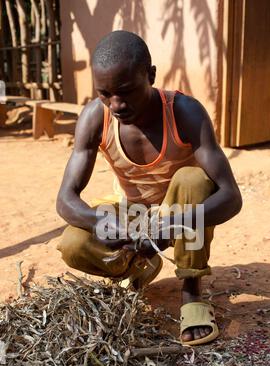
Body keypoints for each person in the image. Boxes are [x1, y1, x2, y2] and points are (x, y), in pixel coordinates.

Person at [56, 30, 242, 346]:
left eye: (126, 92)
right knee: (73, 243)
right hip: (133, 211)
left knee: (192, 179)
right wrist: (99, 222)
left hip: (180, 210)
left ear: (151, 75)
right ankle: (139, 262)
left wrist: (174, 224)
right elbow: (65, 199)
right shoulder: (95, 117)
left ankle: (191, 293)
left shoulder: (184, 112)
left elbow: (230, 197)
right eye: (105, 94)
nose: (116, 104)